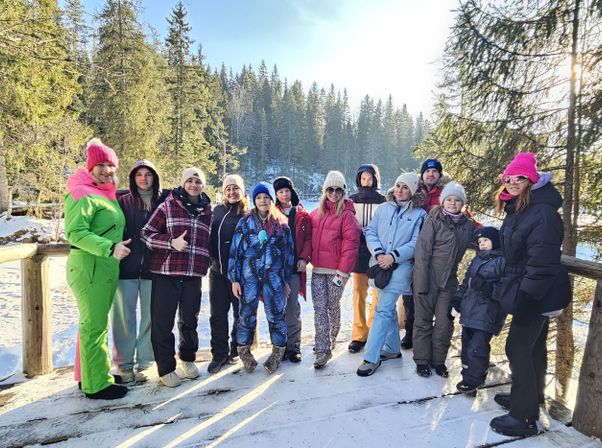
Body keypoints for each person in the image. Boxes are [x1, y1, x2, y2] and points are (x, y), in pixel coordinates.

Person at [489, 152, 571, 437]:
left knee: (517, 347)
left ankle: (524, 418)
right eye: (508, 178)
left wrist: (527, 296)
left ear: (532, 180)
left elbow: (542, 261)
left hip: (538, 292)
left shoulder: (542, 213)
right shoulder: (522, 208)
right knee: (533, 347)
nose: (512, 182)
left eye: (519, 178)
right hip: (531, 288)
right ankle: (529, 398)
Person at [65, 138, 130, 400]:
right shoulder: (82, 193)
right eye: (100, 165)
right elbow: (75, 233)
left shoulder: (103, 193)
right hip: (90, 266)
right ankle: (97, 385)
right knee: (94, 326)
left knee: (92, 323)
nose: (106, 170)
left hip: (102, 268)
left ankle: (91, 374)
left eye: (110, 165)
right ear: (90, 167)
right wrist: (110, 247)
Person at [141, 167, 212, 387]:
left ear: (203, 185)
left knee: (189, 321)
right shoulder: (168, 205)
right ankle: (166, 368)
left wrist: (206, 260)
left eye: (198, 181)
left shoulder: (208, 211)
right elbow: (146, 234)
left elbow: (211, 242)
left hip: (193, 275)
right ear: (183, 183)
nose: (193, 185)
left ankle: (187, 359)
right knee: (163, 322)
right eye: (189, 181)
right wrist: (171, 242)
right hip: (167, 273)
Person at [356, 173, 426, 376]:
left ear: (412, 191)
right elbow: (370, 231)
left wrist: (393, 257)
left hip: (400, 268)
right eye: (398, 186)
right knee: (387, 309)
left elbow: (416, 243)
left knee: (382, 310)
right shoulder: (383, 208)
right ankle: (393, 349)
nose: (400, 190)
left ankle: (371, 358)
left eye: (405, 187)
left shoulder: (419, 214)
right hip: (379, 265)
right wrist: (379, 253)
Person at [229, 182, 295, 374]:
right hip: (249, 277)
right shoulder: (245, 222)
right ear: (254, 200)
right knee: (246, 315)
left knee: (276, 314)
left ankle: (277, 353)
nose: (263, 201)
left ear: (272, 200)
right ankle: (244, 353)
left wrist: (286, 280)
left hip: (274, 278)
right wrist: (235, 279)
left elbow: (288, 255)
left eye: (266, 197)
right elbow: (235, 252)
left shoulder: (281, 224)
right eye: (259, 197)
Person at [412, 181, 477, 378]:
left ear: (462, 203)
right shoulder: (434, 220)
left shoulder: (467, 226)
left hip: (449, 282)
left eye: (457, 200)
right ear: (443, 201)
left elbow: (483, 238)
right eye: (449, 199)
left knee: (444, 323)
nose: (453, 203)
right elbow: (422, 253)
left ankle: (438, 361)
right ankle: (422, 361)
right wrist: (420, 283)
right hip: (428, 277)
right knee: (423, 321)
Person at [110, 159, 162, 383]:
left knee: (150, 318)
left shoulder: (163, 201)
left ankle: (145, 363)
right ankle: (124, 365)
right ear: (133, 178)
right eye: (139, 174)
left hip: (153, 269)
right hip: (126, 268)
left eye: (148, 174)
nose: (143, 178)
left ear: (155, 178)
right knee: (123, 319)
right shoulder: (122, 202)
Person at [309, 171, 361, 369]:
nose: (333, 193)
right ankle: (322, 348)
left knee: (332, 306)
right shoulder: (316, 213)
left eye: (338, 190)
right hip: (317, 269)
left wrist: (343, 271)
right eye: (330, 189)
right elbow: (307, 237)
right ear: (325, 190)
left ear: (343, 192)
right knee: (319, 308)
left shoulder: (347, 216)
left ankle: (331, 338)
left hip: (336, 272)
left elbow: (351, 245)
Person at [450, 226, 506, 394]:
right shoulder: (476, 260)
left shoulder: (503, 261)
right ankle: (467, 378)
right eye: (480, 241)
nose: (482, 244)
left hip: (487, 312)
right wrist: (458, 300)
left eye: (486, 240)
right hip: (469, 311)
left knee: (477, 348)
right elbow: (466, 282)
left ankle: (475, 380)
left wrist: (486, 288)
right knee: (467, 347)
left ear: (495, 241)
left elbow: (506, 289)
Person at [400, 158, 446, 350]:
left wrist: (485, 234)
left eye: (435, 171)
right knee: (409, 294)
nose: (431, 174)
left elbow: (462, 215)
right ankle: (410, 332)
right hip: (412, 249)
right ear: (422, 174)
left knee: (429, 294)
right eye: (427, 171)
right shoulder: (413, 191)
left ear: (439, 175)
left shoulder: (445, 194)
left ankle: (427, 332)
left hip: (434, 252)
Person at [207, 174, 248, 374]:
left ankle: (236, 349)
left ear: (242, 191)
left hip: (240, 275)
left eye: (235, 188)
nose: (232, 192)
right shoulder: (217, 211)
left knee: (240, 313)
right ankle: (219, 353)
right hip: (218, 272)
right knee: (217, 314)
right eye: (228, 189)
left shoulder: (248, 214)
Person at [348, 164, 386, 354]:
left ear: (375, 180)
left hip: (376, 251)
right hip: (358, 252)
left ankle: (373, 330)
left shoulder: (383, 201)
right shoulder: (352, 200)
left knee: (378, 293)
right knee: (358, 293)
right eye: (363, 178)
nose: (366, 182)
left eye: (370, 178)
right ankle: (358, 334)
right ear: (358, 179)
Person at [273, 176, 312, 363]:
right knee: (276, 308)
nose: (284, 194)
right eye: (280, 192)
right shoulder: (271, 214)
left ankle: (293, 346)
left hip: (295, 269)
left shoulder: (302, 214)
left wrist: (304, 258)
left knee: (291, 308)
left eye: (287, 191)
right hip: (276, 270)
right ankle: (279, 345)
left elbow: (308, 239)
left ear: (292, 192)